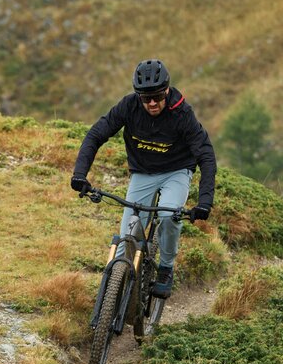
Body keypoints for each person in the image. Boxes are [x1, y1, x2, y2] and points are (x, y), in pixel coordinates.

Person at [70, 59, 216, 297]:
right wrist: (79, 174)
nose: (151, 103)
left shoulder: (182, 113)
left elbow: (206, 156)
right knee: (127, 238)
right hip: (143, 173)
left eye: (157, 96)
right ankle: (110, 301)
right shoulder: (128, 107)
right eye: (145, 97)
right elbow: (96, 135)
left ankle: (166, 268)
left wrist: (205, 202)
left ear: (166, 90)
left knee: (169, 216)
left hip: (177, 171)